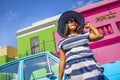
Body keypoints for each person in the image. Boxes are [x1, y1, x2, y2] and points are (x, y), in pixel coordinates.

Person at [57, 11, 104, 80]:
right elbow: (62, 61)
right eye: (71, 21)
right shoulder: (62, 42)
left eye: (75, 21)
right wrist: (60, 78)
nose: (74, 22)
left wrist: (90, 26)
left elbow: (100, 36)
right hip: (74, 72)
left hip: (90, 67)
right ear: (66, 24)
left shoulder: (84, 35)